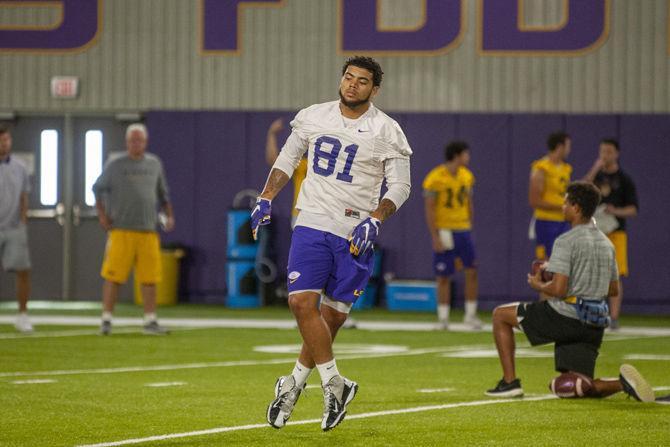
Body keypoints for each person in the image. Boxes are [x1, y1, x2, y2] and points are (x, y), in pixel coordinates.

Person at [251, 56, 412, 431]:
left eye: (362, 80)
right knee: (300, 302)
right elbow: (289, 157)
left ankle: (292, 382)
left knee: (331, 320)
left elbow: (401, 185)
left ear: (375, 89)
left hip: (355, 231)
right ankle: (334, 384)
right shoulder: (313, 116)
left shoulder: (387, 129)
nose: (352, 84)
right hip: (312, 221)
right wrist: (265, 196)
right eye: (348, 77)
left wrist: (376, 218)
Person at [486, 181, 654, 403]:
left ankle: (510, 382)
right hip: (594, 323)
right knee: (577, 385)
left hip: (567, 316)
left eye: (565, 202)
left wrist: (538, 285)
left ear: (576, 208)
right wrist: (585, 283)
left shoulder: (566, 240)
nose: (562, 206)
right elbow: (613, 289)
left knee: (500, 315)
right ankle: (621, 384)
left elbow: (558, 289)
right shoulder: (606, 243)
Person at [92, 123, 175, 336]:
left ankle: (150, 319)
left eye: (139, 140)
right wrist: (102, 215)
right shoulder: (115, 164)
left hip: (148, 229)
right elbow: (97, 189)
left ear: (145, 142)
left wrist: (169, 215)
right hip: (122, 229)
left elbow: (163, 194)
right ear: (127, 142)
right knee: (113, 275)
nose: (136, 144)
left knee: (150, 278)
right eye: (132, 140)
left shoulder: (154, 164)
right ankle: (106, 318)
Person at [422, 140, 482, 330]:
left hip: (463, 229)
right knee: (443, 276)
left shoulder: (467, 176)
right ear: (457, 155)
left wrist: (470, 224)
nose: (468, 157)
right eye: (466, 154)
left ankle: (470, 315)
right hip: (445, 229)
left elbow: (469, 203)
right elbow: (430, 210)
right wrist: (435, 236)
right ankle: (443, 318)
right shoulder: (435, 177)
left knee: (472, 271)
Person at [583, 138, 638, 330]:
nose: (605, 155)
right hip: (595, 232)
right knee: (591, 273)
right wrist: (594, 169)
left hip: (615, 232)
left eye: (608, 152)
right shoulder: (596, 177)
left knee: (614, 275)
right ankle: (593, 314)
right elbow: (580, 191)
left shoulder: (624, 179)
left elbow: (633, 209)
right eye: (602, 151)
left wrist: (615, 211)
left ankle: (613, 317)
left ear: (616, 153)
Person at [0, 125, 33, 333]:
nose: (4, 144)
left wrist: (22, 222)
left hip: (13, 228)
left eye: (6, 140)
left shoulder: (20, 167)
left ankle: (22, 315)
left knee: (23, 270)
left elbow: (24, 196)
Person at [529, 132, 572, 261]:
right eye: (568, 146)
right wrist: (561, 206)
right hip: (546, 222)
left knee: (563, 262)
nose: (570, 150)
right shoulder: (541, 168)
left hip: (564, 222)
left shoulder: (566, 169)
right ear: (560, 147)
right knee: (546, 264)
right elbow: (534, 201)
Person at [265, 118, 308, 228]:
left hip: (326, 215)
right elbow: (274, 161)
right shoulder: (303, 164)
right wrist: (271, 134)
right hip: (302, 214)